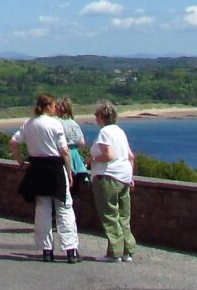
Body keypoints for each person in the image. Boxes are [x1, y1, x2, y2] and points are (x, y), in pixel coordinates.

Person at [11, 93, 80, 263]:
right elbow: (64, 151)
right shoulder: (55, 124)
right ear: (48, 106)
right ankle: (71, 251)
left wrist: (20, 161)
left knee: (42, 209)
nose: (56, 108)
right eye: (54, 105)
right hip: (55, 168)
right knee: (64, 208)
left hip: (37, 168)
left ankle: (46, 250)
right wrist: (69, 171)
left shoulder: (29, 123)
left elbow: (13, 142)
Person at [89, 101, 137, 262]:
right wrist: (130, 177)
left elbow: (109, 155)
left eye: (97, 115)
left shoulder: (105, 132)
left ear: (102, 116)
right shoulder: (120, 131)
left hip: (108, 176)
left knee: (109, 215)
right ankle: (127, 251)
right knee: (123, 216)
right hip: (124, 176)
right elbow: (130, 156)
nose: (96, 118)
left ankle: (115, 253)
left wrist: (93, 159)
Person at [54, 97, 90, 196]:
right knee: (75, 191)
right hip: (75, 157)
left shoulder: (56, 122)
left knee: (64, 189)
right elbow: (82, 142)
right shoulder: (74, 123)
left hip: (62, 155)